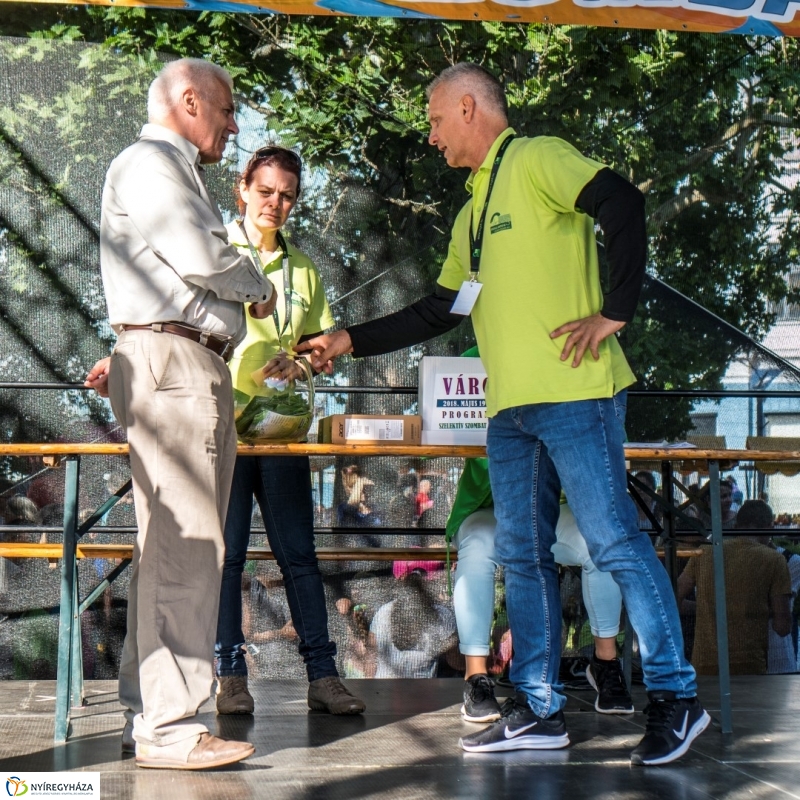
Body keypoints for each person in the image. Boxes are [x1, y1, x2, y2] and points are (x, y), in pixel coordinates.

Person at [298, 62, 707, 765]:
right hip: (511, 410)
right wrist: (347, 339)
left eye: (432, 120)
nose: (430, 137)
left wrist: (616, 312)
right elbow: (443, 308)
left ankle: (676, 698)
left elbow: (623, 204)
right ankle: (540, 708)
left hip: (577, 395)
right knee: (521, 556)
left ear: (466, 107)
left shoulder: (539, 157)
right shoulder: (471, 211)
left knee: (614, 543)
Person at [84, 58, 276, 770]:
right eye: (225, 109)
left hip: (176, 361)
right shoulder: (150, 162)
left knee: (171, 544)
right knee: (188, 544)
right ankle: (169, 726)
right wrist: (255, 281)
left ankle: (153, 713)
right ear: (187, 100)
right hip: (175, 362)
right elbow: (201, 254)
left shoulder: (160, 166)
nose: (232, 124)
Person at [214, 146, 365, 716]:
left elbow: (320, 348)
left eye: (287, 196)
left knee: (298, 555)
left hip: (278, 432)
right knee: (227, 558)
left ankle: (323, 676)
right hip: (222, 431)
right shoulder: (216, 252)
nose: (275, 203)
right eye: (266, 191)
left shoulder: (303, 269)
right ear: (242, 189)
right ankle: (230, 676)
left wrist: (298, 365)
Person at [446, 348, 633, 723]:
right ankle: (476, 676)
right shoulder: (469, 362)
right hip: (491, 506)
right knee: (479, 543)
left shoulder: (585, 355)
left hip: (558, 507)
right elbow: (441, 430)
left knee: (601, 543)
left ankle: (606, 663)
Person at [677, 500, 792, 675]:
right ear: (770, 527)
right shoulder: (775, 560)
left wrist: (706, 607)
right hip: (750, 664)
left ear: (737, 525)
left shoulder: (705, 553)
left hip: (705, 661)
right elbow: (782, 627)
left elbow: (672, 599)